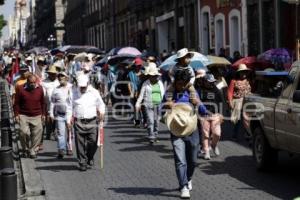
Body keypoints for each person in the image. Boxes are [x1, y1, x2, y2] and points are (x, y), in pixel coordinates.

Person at [163, 69, 200, 199]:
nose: (182, 86)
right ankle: (183, 186)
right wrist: (167, 105)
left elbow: (200, 106)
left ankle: (188, 177)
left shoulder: (192, 92)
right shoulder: (169, 92)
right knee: (180, 160)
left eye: (185, 83)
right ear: (175, 82)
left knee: (193, 159)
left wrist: (207, 112)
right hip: (176, 129)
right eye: (180, 83)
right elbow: (161, 106)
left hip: (192, 128)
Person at [72, 74, 105, 171]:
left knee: (93, 141)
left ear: (87, 84)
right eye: (80, 87)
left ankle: (89, 157)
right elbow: (69, 106)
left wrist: (102, 112)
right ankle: (82, 162)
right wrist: (68, 119)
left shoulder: (94, 92)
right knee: (80, 143)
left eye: (84, 86)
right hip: (79, 121)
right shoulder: (74, 92)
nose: (82, 88)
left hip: (92, 121)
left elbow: (101, 104)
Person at [14, 74, 45, 158]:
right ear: (27, 81)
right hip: (24, 114)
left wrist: (43, 114)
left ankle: (33, 150)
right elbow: (16, 103)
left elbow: (42, 102)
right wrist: (16, 115)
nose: (33, 84)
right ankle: (25, 149)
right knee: (23, 132)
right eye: (31, 82)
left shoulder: (40, 89)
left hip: (37, 114)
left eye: (34, 82)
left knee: (38, 132)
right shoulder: (20, 89)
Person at [136, 62, 165, 144]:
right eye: (152, 76)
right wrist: (137, 104)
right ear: (149, 76)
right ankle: (151, 137)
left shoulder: (160, 83)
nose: (154, 77)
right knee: (151, 121)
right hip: (148, 104)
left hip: (158, 104)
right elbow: (141, 95)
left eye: (155, 76)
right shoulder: (145, 84)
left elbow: (163, 93)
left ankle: (155, 135)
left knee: (157, 121)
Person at [197, 73, 224, 160]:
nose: (212, 83)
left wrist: (220, 114)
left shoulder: (216, 90)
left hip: (215, 115)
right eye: (209, 82)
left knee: (217, 133)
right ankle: (206, 151)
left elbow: (221, 102)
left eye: (213, 82)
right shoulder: (200, 91)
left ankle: (213, 145)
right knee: (205, 134)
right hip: (204, 115)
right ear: (205, 82)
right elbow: (197, 102)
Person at [49, 72, 73, 158]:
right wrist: (51, 113)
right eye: (59, 77)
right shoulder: (56, 89)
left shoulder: (72, 87)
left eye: (62, 77)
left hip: (70, 114)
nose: (60, 78)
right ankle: (61, 149)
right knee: (60, 133)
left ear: (66, 78)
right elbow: (52, 102)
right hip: (59, 114)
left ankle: (69, 148)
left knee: (70, 132)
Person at [227, 64, 251, 140]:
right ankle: (235, 134)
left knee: (246, 118)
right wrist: (230, 101)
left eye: (245, 72)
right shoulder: (234, 81)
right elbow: (230, 92)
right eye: (242, 72)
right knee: (236, 119)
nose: (244, 74)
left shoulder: (248, 80)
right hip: (237, 101)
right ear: (239, 73)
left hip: (247, 101)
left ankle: (248, 133)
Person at [41, 65, 60, 140]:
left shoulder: (58, 82)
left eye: (54, 74)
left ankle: (55, 132)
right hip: (47, 103)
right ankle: (48, 132)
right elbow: (43, 94)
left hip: (57, 103)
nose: (53, 75)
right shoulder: (44, 82)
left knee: (56, 119)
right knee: (48, 119)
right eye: (51, 74)